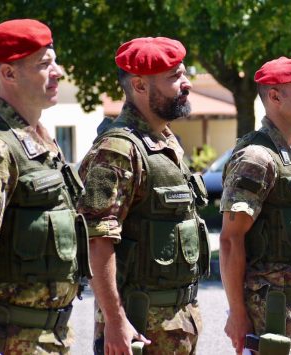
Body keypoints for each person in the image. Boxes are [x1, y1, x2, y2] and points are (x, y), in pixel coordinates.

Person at [79, 37, 210, 354]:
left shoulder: (164, 142)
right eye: (174, 77)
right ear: (139, 85)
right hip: (139, 327)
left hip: (178, 322)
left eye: (183, 73)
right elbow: (96, 238)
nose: (186, 84)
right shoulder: (118, 149)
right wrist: (114, 319)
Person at [0, 19, 91, 354]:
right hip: (10, 341)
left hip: (50, 337)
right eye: (45, 64)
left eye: (55, 62)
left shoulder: (42, 141)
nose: (57, 72)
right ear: (8, 74)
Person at [220, 57, 291, 355]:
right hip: (271, 311)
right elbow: (231, 240)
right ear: (274, 96)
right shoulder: (257, 158)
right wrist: (237, 313)